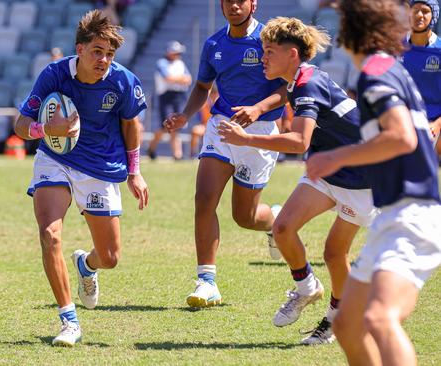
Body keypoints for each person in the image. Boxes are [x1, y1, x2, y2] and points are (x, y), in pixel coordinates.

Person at [219, 17, 377, 345]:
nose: (263, 56)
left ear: (292, 54)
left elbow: (300, 142)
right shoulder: (300, 79)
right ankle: (307, 288)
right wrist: (260, 108)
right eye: (263, 50)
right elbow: (284, 96)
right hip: (328, 170)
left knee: (335, 253)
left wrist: (246, 140)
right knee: (282, 228)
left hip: (362, 178)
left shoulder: (308, 84)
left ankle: (337, 318)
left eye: (270, 51)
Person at [307, 0, 441, 364]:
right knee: (348, 325)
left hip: (411, 215)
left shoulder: (375, 73)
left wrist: (335, 156)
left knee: (379, 319)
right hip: (393, 214)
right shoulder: (388, 67)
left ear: (352, 31)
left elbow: (402, 137)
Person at [14, 10, 149, 346]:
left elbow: (132, 125)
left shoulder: (123, 81)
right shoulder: (54, 75)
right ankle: (68, 320)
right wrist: (47, 129)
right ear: (80, 48)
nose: (103, 59)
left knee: (110, 258)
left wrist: (135, 172)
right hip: (55, 158)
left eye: (109, 53)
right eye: (97, 51)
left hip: (100, 167)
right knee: (50, 235)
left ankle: (87, 266)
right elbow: (19, 126)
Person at [164, 0, 287, 308]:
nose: (233, 5)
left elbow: (290, 88)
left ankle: (274, 221)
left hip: (259, 134)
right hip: (221, 127)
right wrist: (185, 115)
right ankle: (207, 281)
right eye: (227, 0)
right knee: (204, 198)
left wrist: (258, 108)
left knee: (244, 217)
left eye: (240, 0)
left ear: (253, 4)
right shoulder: (213, 43)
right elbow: (203, 86)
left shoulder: (270, 41)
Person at [402, 0, 441, 154]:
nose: (419, 15)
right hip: (402, 122)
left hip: (434, 125)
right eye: (415, 10)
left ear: (434, 15)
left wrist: (438, 124)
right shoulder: (395, 48)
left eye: (425, 11)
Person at [148, 41, 192, 160]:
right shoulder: (161, 63)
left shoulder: (180, 63)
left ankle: (176, 154)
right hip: (166, 97)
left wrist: (176, 79)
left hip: (179, 96)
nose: (179, 55)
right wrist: (180, 79)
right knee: (166, 124)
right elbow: (168, 78)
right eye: (176, 52)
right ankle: (155, 148)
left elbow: (188, 79)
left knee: (175, 124)